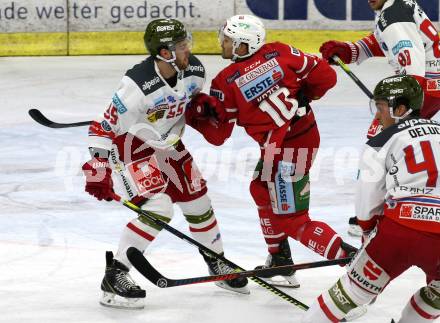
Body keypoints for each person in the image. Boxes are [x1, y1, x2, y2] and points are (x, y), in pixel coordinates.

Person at [81, 18, 249, 310]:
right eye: (182, 46)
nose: (189, 50)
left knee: (199, 203)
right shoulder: (136, 85)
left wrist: (201, 106)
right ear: (165, 52)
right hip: (133, 145)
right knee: (159, 208)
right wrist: (98, 169)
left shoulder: (194, 70)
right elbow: (103, 127)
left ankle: (216, 262)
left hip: (169, 145)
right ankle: (115, 274)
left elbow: (190, 102)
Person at [185, 14, 357, 289]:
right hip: (305, 135)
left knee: (293, 221)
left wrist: (193, 115)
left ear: (243, 46)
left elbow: (218, 136)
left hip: (284, 152)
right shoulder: (282, 51)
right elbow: (327, 77)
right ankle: (280, 260)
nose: (223, 43)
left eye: (228, 40)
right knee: (261, 189)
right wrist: (306, 95)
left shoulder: (225, 82)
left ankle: (354, 261)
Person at [302, 75, 440, 323]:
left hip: (400, 232)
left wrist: (367, 235)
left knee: (349, 294)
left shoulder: (381, 140)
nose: (376, 116)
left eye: (380, 107)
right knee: (436, 297)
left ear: (401, 109)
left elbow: (368, 200)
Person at [319, 0, 440, 236]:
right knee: (399, 140)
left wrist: (401, 107)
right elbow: (382, 40)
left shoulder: (394, 16)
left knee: (379, 143)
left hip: (423, 87)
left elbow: (412, 67)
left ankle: (372, 217)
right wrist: (350, 50)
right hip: (432, 85)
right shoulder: (396, 7)